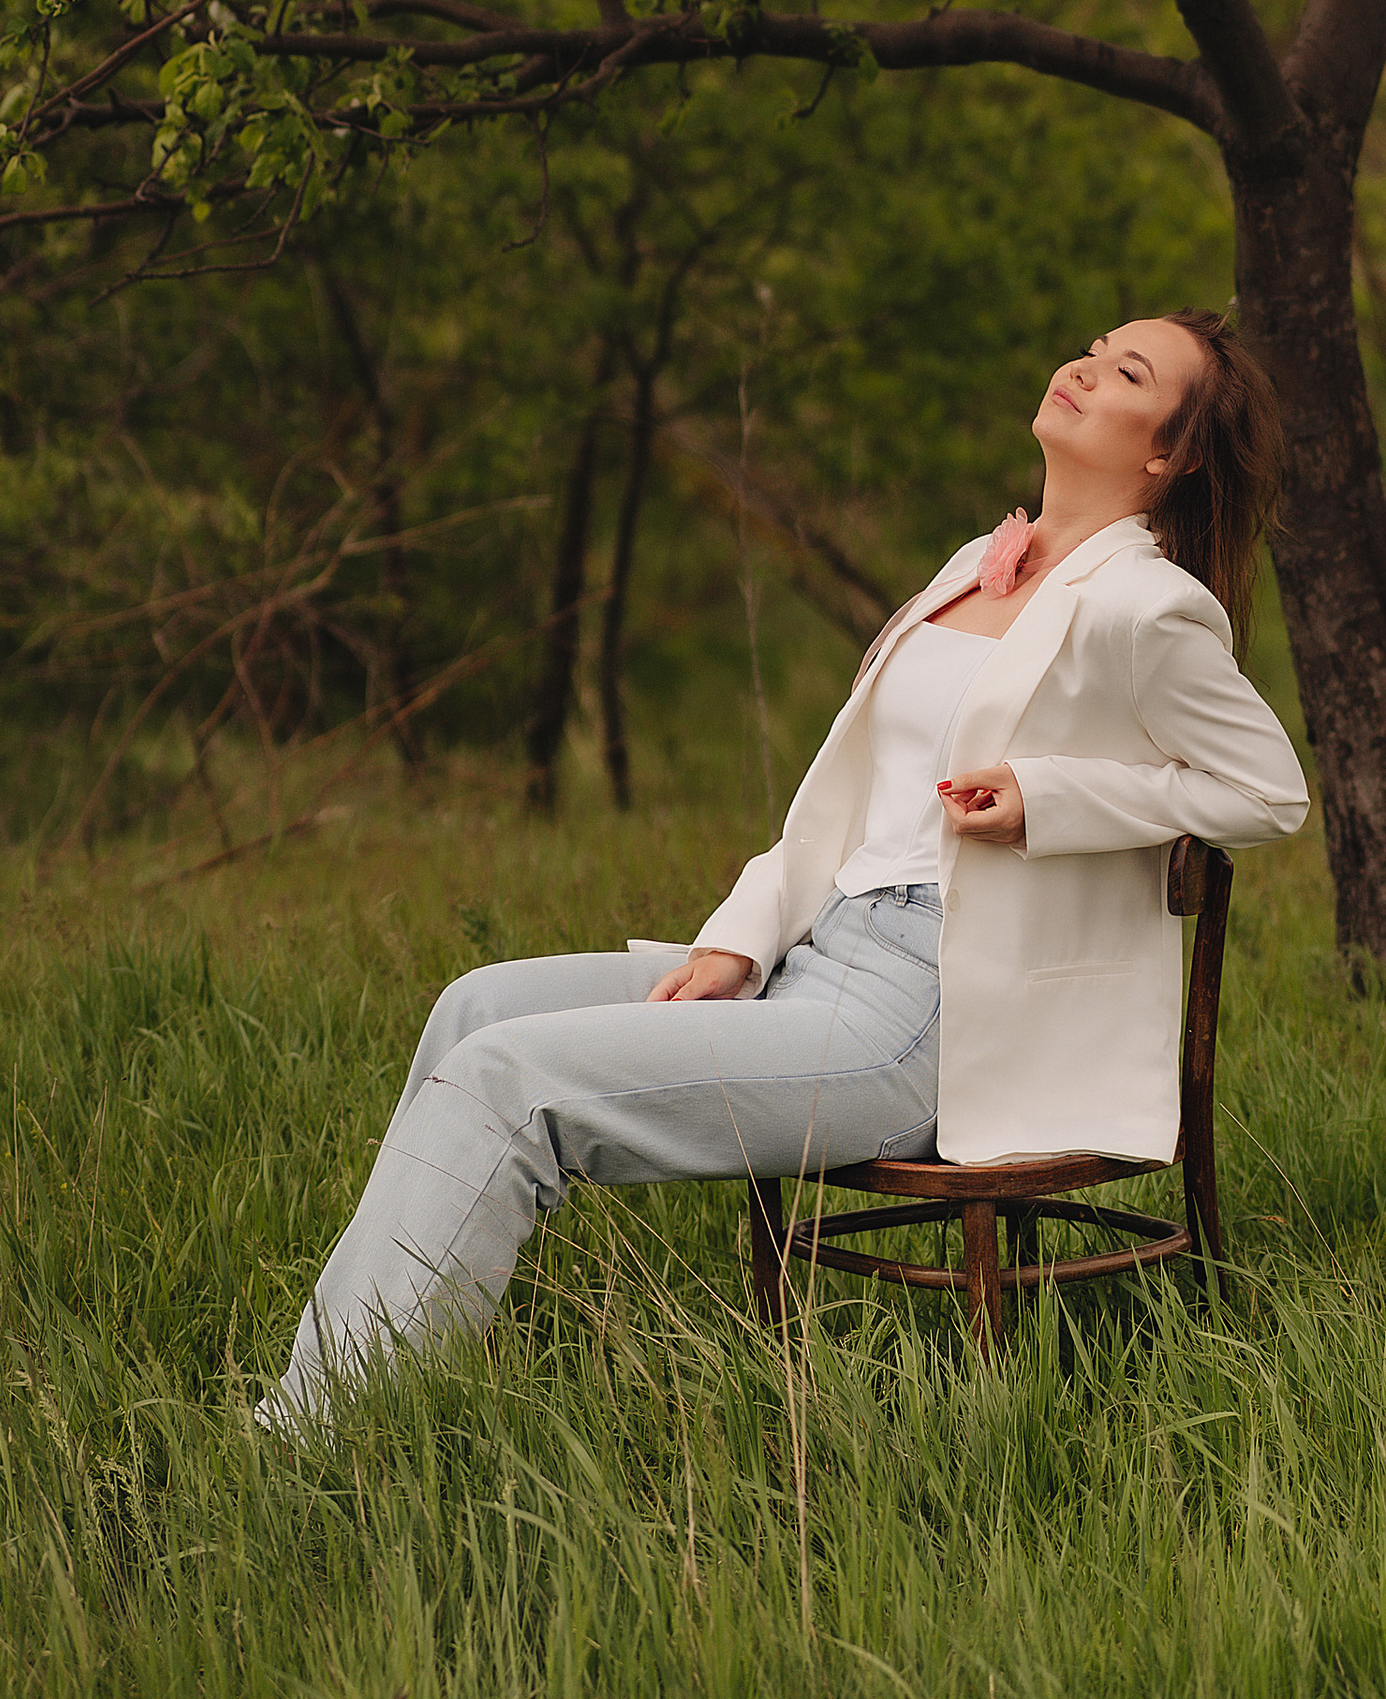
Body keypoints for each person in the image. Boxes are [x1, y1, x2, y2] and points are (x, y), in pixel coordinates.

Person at [261, 308, 1309, 1424]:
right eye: (1092, 352)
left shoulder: (1148, 606)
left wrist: (1053, 800)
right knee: (478, 1009)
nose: (1083, 371)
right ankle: (406, 1349)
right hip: (825, 951)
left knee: (511, 1086)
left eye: (1125, 374)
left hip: (931, 1018)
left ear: (1170, 452)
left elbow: (1266, 793)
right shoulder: (977, 564)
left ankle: (316, 1434)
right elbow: (844, 797)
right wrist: (736, 939)